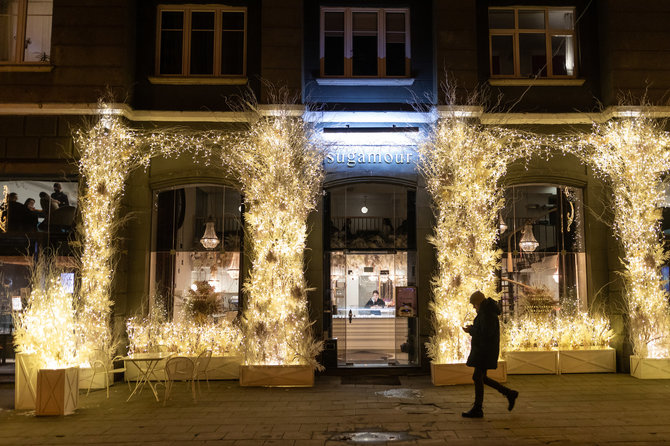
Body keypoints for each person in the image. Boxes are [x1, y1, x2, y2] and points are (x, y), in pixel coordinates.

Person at [462, 290, 518, 418]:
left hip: (484, 351)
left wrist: (471, 330)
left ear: (478, 302)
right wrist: (473, 328)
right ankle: (509, 393)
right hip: (484, 350)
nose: (473, 307)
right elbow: (484, 330)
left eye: (474, 304)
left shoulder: (487, 314)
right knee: (482, 378)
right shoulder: (486, 312)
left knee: (477, 377)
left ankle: (478, 408)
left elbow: (485, 334)